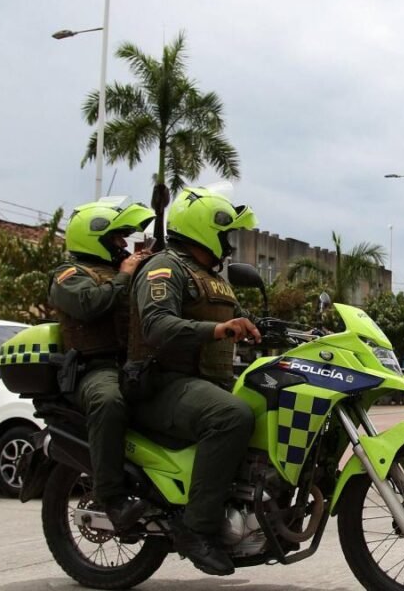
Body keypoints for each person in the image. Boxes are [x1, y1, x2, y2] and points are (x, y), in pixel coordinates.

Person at [126, 186, 259, 576]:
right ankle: (197, 530)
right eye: (225, 234)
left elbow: (232, 319)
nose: (229, 244)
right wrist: (219, 329)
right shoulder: (164, 268)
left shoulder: (210, 277)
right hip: (162, 384)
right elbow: (157, 325)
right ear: (204, 229)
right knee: (231, 416)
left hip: (202, 384)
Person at [48, 198, 155, 531]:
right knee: (108, 401)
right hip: (95, 368)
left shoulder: (124, 274)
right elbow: (88, 304)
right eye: (116, 239)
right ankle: (111, 498)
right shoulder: (69, 274)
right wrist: (125, 277)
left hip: (134, 365)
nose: (123, 245)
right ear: (93, 238)